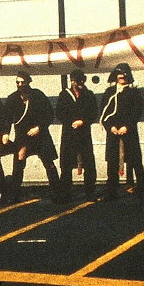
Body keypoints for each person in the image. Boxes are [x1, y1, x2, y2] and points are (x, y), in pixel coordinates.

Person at [5, 72, 60, 201]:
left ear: (28, 82)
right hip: (23, 136)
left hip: (41, 136)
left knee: (49, 163)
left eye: (22, 82)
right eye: (17, 82)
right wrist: (6, 133)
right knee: (19, 162)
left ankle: (57, 192)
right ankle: (15, 194)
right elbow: (6, 118)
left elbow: (49, 114)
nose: (20, 85)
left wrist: (39, 127)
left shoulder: (38, 95)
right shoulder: (12, 98)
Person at [98, 63, 144, 200]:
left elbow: (137, 111)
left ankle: (142, 191)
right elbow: (104, 111)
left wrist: (127, 126)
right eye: (119, 75)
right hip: (113, 132)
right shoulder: (109, 92)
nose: (122, 77)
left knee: (136, 161)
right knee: (112, 163)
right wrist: (110, 127)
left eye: (125, 75)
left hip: (129, 131)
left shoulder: (134, 92)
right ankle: (111, 192)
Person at [56, 69, 98, 200]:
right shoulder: (64, 95)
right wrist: (70, 122)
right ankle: (65, 193)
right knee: (66, 163)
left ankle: (90, 192)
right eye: (77, 80)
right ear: (72, 81)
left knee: (89, 163)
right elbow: (59, 113)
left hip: (84, 133)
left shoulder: (89, 95)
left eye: (82, 80)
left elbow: (94, 112)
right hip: (69, 133)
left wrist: (83, 121)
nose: (80, 83)